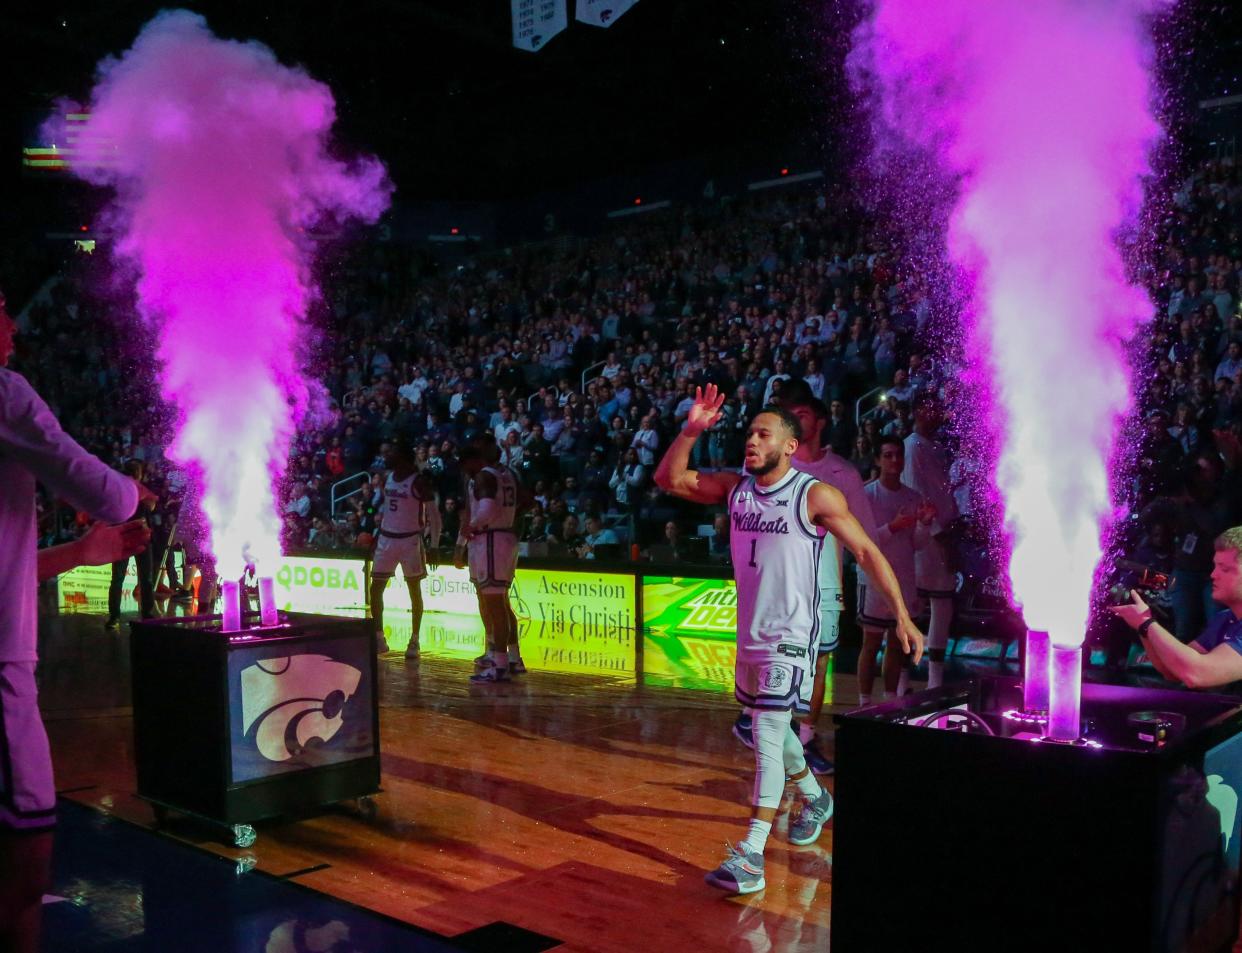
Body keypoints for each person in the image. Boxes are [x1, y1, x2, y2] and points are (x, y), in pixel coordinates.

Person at [654, 384, 923, 894]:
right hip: (750, 634)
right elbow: (668, 478)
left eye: (763, 434)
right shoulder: (736, 489)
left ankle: (751, 856)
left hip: (792, 634)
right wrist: (691, 430)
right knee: (763, 734)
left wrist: (904, 617)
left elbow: (866, 553)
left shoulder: (814, 494)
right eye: (749, 433)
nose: (750, 441)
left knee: (768, 738)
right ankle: (815, 797)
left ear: (790, 446)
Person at [0, 293, 153, 953]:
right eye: (2, 307)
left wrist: (78, 554)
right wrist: (130, 491)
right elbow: (106, 491)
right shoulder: (7, 393)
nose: (12, 322)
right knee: (23, 864)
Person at [750, 380, 878, 776]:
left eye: (801, 412)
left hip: (823, 587)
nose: (794, 418)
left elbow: (865, 537)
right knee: (774, 668)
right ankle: (777, 744)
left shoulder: (841, 472)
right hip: (776, 586)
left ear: (820, 420)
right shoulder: (774, 464)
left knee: (819, 666)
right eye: (789, 412)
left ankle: (805, 741)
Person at [1111, 527, 1242, 689]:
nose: (1213, 575)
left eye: (1225, 569)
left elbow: (1196, 674)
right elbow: (1171, 671)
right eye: (1215, 567)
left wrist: (1146, 623)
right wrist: (1142, 626)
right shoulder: (1225, 619)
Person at [858, 436, 935, 704]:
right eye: (888, 455)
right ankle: (863, 702)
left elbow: (917, 544)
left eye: (898, 455)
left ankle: (890, 700)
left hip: (903, 579)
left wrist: (923, 524)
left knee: (895, 642)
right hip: (872, 581)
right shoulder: (866, 496)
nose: (894, 460)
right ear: (878, 460)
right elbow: (861, 542)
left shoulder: (913, 497)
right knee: (870, 643)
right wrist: (894, 526)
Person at [456, 440, 525, 683]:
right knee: (501, 602)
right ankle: (512, 659)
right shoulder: (508, 474)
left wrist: (470, 527)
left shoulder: (485, 476)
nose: (465, 469)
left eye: (466, 464)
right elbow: (525, 502)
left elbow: (485, 508)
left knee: (495, 604)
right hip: (505, 536)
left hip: (491, 540)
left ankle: (499, 664)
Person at [903, 394, 959, 690]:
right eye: (932, 407)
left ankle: (932, 679)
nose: (938, 413)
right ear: (918, 411)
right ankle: (904, 681)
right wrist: (940, 532)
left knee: (941, 606)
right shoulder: (912, 447)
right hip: (927, 535)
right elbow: (918, 494)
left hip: (941, 530)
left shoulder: (933, 446)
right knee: (923, 604)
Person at [369, 441, 441, 659]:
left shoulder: (418, 481)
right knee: (375, 590)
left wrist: (435, 545)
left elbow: (434, 516)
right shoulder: (389, 477)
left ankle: (415, 639)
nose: (386, 455)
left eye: (391, 452)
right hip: (386, 538)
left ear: (401, 456)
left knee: (414, 591)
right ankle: (379, 637)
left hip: (410, 540)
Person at [105, 458, 158, 629]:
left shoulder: (120, 491)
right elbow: (152, 506)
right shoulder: (141, 490)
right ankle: (147, 614)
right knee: (146, 579)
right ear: (138, 474)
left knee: (118, 579)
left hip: (124, 538)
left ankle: (114, 617)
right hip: (139, 538)